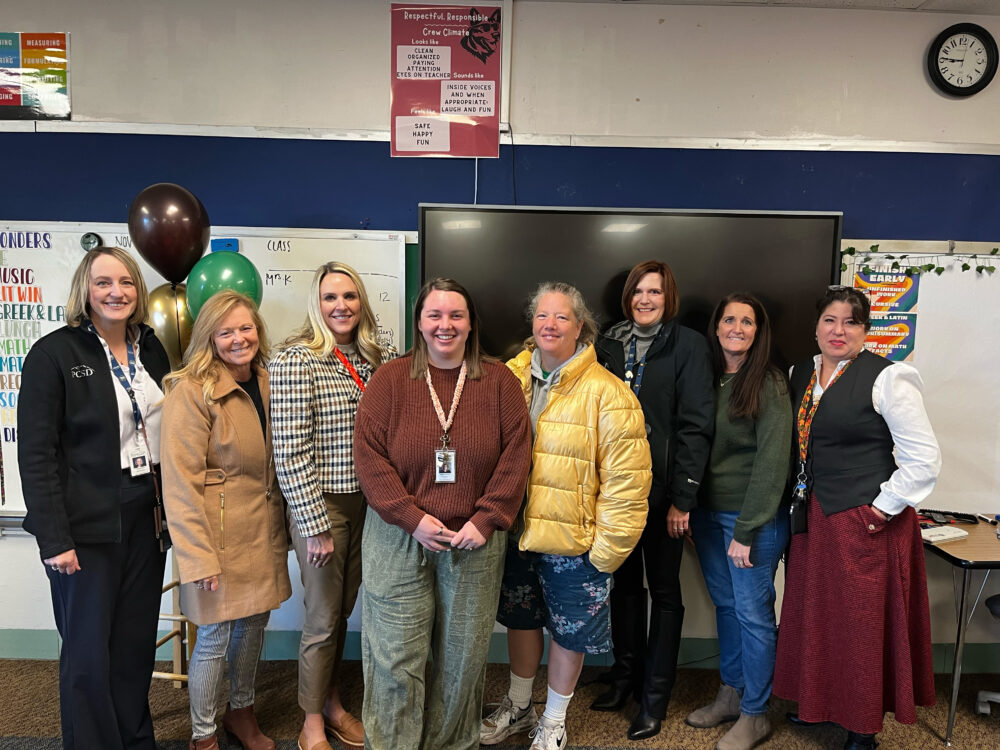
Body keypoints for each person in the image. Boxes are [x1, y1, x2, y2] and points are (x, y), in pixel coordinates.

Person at [353, 278, 531, 750]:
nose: (445, 325)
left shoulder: (500, 383)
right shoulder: (389, 381)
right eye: (434, 315)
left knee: (462, 663)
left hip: (474, 540)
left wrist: (487, 518)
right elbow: (369, 459)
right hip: (397, 537)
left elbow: (517, 458)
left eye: (456, 315)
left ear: (471, 324)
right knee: (394, 660)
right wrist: (410, 517)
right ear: (419, 322)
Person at [481, 282, 651, 750]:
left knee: (569, 635)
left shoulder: (609, 394)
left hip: (575, 547)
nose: (550, 325)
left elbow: (628, 483)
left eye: (561, 317)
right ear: (531, 324)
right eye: (541, 316)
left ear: (581, 326)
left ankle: (553, 721)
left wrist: (605, 554)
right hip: (516, 537)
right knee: (520, 621)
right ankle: (519, 706)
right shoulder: (505, 379)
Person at [773, 286, 941, 750]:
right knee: (817, 618)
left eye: (851, 322)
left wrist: (879, 509)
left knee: (859, 624)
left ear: (865, 330)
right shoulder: (799, 372)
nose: (839, 330)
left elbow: (923, 460)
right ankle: (819, 705)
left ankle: (862, 726)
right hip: (814, 518)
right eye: (830, 320)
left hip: (865, 523)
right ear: (817, 326)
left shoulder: (889, 378)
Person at [18, 246, 170, 750]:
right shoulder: (54, 353)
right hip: (82, 531)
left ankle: (135, 741)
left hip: (144, 522)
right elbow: (36, 455)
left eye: (126, 282)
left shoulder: (150, 348)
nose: (116, 292)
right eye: (104, 282)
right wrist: (54, 539)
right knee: (87, 656)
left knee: (132, 651)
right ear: (85, 289)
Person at [269, 261, 395, 750]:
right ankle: (311, 723)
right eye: (330, 298)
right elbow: (290, 449)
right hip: (323, 508)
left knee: (343, 612)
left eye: (349, 296)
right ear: (316, 305)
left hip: (371, 506)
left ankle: (332, 702)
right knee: (322, 618)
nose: (340, 306)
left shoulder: (374, 359)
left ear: (361, 302)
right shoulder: (296, 360)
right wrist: (315, 525)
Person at [161, 291, 291, 750]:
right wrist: (197, 558)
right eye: (227, 331)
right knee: (214, 637)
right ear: (209, 337)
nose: (240, 339)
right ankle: (203, 735)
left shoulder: (272, 380)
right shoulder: (190, 391)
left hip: (263, 529)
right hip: (216, 539)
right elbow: (179, 485)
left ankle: (242, 713)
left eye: (247, 328)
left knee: (253, 628)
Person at [590, 260, 715, 740]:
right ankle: (625, 676)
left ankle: (655, 697)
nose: (646, 299)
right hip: (614, 494)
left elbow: (695, 426)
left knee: (664, 591)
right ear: (627, 297)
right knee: (622, 588)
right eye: (639, 291)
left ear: (669, 299)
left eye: (655, 293)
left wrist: (684, 498)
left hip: (664, 495)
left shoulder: (688, 346)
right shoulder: (605, 343)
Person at [685, 293, 792, 750]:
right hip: (707, 516)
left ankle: (756, 715)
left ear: (758, 332)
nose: (737, 328)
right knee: (727, 608)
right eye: (729, 319)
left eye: (747, 322)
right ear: (716, 325)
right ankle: (731, 694)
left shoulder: (767, 383)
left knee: (753, 616)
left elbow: (773, 463)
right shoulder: (707, 378)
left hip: (751, 521)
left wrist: (747, 530)